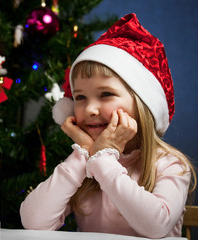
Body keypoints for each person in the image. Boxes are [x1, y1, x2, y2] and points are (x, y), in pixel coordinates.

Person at [20, 13, 197, 238]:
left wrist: (103, 158)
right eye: (80, 97)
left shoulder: (169, 164)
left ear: (143, 104)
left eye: (105, 94)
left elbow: (157, 226)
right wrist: (83, 154)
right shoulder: (82, 163)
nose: (90, 109)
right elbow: (33, 222)